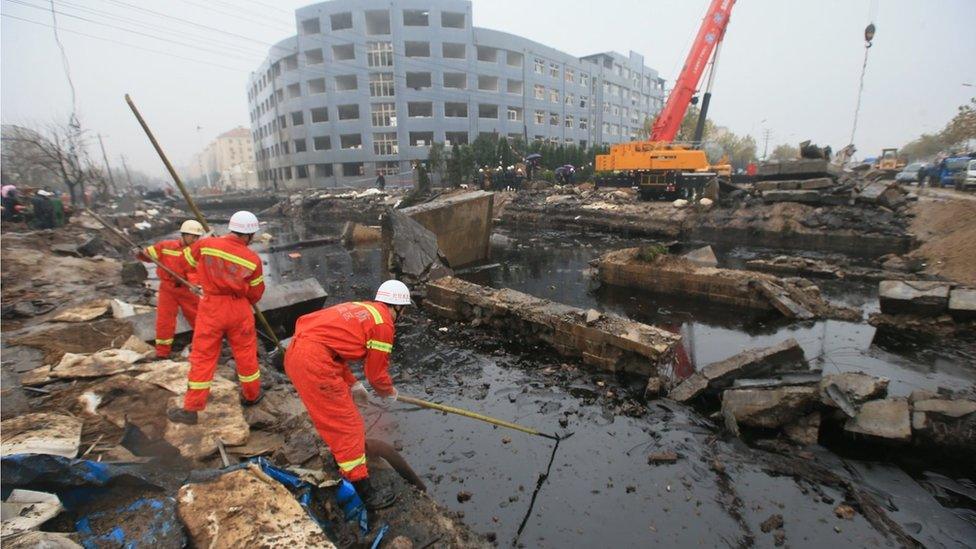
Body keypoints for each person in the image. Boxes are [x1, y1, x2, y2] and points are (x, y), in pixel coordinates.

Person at [283, 280, 411, 510]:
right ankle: (365, 491)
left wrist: (352, 384)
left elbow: (334, 349)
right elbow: (376, 373)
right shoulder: (383, 324)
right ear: (398, 308)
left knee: (332, 418)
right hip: (314, 364)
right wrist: (388, 391)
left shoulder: (361, 308)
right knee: (348, 425)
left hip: (298, 354)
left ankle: (341, 458)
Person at [167, 211, 265, 425]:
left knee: (203, 357)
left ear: (231, 228)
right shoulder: (253, 260)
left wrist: (200, 277)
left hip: (211, 307)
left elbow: (184, 263)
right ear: (249, 235)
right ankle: (251, 395)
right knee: (246, 355)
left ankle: (191, 409)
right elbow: (256, 294)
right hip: (239, 309)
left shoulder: (206, 244)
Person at [137, 220, 205, 358]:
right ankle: (162, 352)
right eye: (193, 236)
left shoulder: (196, 251)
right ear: (184, 235)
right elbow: (148, 255)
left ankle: (204, 348)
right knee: (164, 321)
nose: (195, 239)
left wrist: (195, 285)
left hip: (187, 289)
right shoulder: (166, 246)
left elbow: (195, 271)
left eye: (198, 237)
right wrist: (139, 253)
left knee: (199, 318)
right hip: (168, 289)